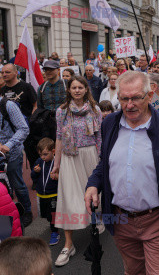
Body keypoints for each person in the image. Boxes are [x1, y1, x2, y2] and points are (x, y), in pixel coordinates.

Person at [85, 71, 159, 275]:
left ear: (150, 95)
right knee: (133, 272)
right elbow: (105, 163)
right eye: (124, 98)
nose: (129, 105)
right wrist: (93, 183)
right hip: (121, 222)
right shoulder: (109, 124)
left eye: (136, 98)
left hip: (158, 221)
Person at [50, 75, 102, 266]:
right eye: (74, 88)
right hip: (69, 157)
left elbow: (99, 137)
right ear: (69, 90)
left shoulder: (95, 110)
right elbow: (58, 138)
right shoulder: (61, 111)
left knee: (93, 197)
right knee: (68, 200)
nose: (77, 90)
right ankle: (68, 244)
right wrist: (56, 164)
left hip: (90, 155)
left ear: (86, 89)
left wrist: (102, 159)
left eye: (81, 87)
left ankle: (96, 223)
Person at [0, 96, 31, 227]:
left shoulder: (8, 105)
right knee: (3, 191)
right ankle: (6, 218)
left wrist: (8, 145)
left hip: (11, 154)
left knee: (17, 184)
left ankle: (26, 212)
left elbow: (24, 129)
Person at [31, 137, 60, 246]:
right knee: (47, 215)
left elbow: (64, 178)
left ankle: (55, 232)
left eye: (45, 154)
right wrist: (35, 172)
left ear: (53, 151)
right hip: (42, 194)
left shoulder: (57, 162)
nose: (42, 157)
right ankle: (54, 226)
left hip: (53, 194)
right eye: (40, 155)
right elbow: (33, 178)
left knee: (53, 214)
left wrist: (58, 176)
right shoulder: (39, 162)